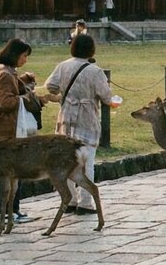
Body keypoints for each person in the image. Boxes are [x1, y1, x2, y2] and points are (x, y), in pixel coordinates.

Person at [45, 34, 116, 215]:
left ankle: (68, 200)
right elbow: (106, 96)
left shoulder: (63, 66)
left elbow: (50, 85)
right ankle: (85, 202)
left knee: (66, 161)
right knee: (86, 162)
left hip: (67, 117)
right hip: (86, 118)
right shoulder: (95, 71)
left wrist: (65, 95)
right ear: (91, 50)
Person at [0, 38, 39, 223]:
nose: (25, 60)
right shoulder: (5, 75)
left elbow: (11, 86)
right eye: (24, 56)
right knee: (7, 171)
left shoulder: (7, 72)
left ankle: (8, 209)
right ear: (15, 55)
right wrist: (26, 96)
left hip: (7, 128)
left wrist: (24, 80)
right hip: (5, 129)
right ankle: (4, 210)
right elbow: (7, 102)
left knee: (8, 170)